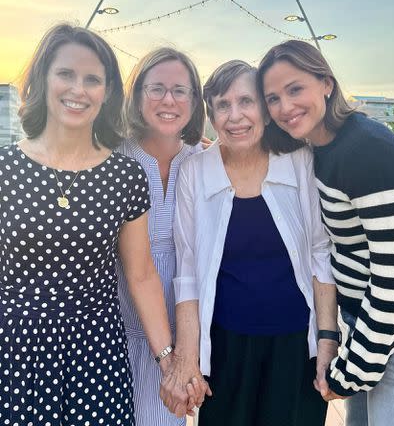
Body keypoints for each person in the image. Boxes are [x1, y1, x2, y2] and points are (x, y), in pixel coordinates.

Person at [0, 23, 180, 425]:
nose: (78, 90)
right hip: (17, 352)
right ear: (43, 78)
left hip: (96, 352)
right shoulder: (5, 170)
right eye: (66, 74)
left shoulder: (125, 176)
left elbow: (142, 274)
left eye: (92, 79)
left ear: (108, 92)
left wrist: (168, 361)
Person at [166, 60, 338, 426]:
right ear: (210, 113)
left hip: (295, 348)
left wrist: (327, 340)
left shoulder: (298, 161)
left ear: (264, 108)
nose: (235, 116)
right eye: (223, 105)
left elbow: (321, 253)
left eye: (246, 101)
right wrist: (187, 359)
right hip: (226, 350)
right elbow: (188, 272)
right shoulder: (195, 173)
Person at [256, 40, 394, 426]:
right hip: (365, 327)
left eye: (295, 89)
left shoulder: (367, 150)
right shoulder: (322, 147)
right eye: (272, 98)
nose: (285, 107)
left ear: (326, 83)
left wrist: (351, 372)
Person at [116, 47, 207, 425]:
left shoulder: (206, 163)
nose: (168, 100)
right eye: (156, 89)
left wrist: (187, 354)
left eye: (180, 90)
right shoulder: (112, 160)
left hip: (186, 332)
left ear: (194, 100)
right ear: (137, 97)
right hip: (118, 329)